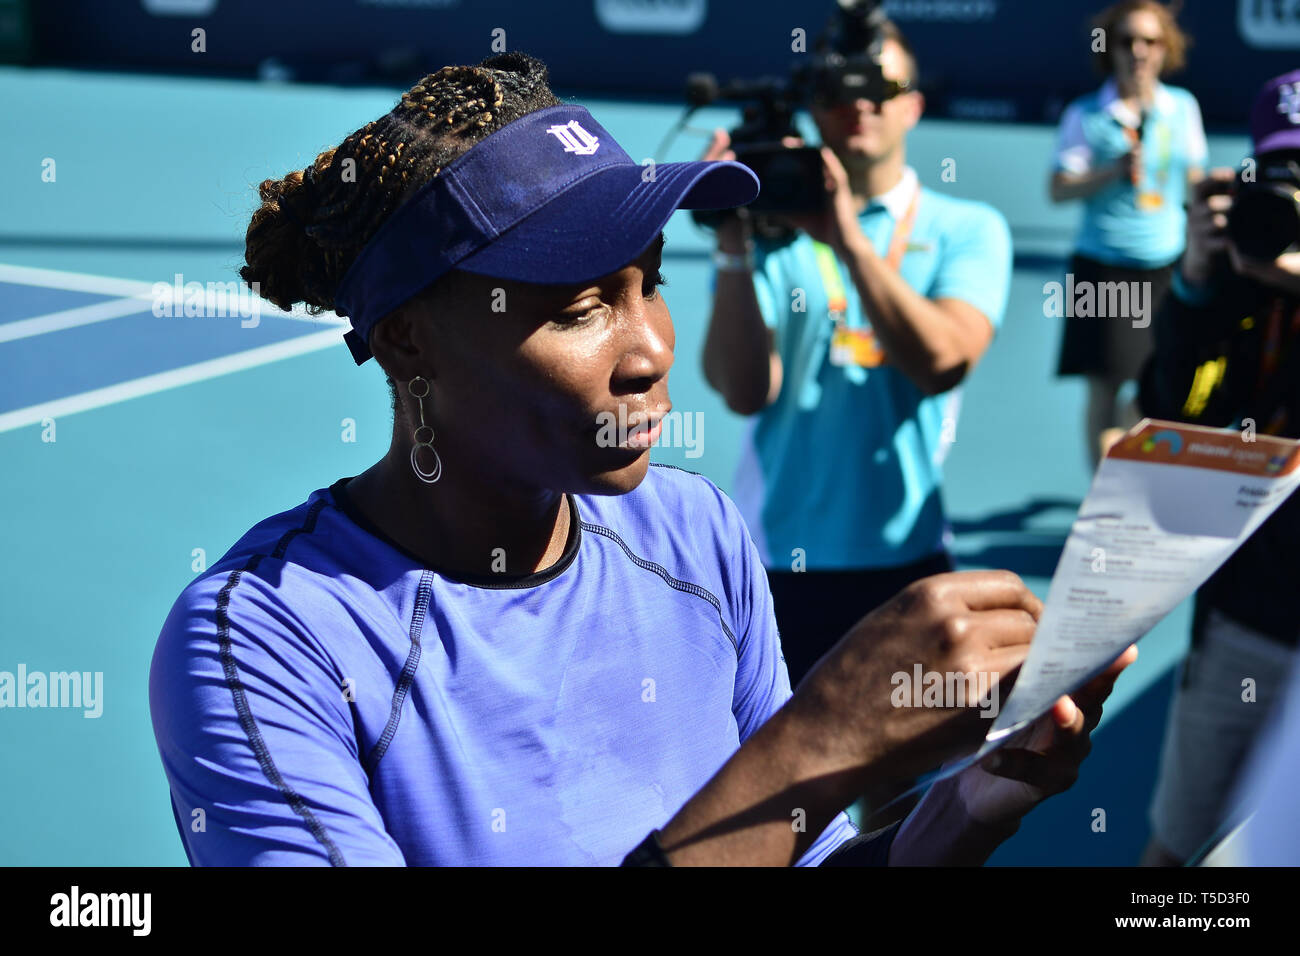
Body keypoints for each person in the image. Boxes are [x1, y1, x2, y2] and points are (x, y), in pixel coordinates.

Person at [149, 52, 1131, 867]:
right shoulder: (262, 640)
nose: (652, 349)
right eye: (579, 307)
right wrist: (819, 745)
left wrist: (959, 810)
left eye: (648, 281)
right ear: (408, 339)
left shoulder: (693, 530)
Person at [700, 21, 1012, 690]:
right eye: (839, 89)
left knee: (899, 784)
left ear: (914, 106)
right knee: (775, 778)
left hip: (906, 556)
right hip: (775, 558)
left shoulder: (967, 229)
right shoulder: (767, 235)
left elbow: (943, 363)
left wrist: (847, 239)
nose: (860, 105)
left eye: (880, 87)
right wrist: (732, 242)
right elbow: (745, 391)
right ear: (812, 105)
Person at [1136, 70, 1300, 866]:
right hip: (1245, 620)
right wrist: (1196, 290)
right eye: (1280, 176)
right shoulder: (1234, 286)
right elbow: (1165, 422)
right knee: (1177, 854)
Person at [1050, 0, 1206, 467]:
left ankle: (1129, 488)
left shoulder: (1183, 109)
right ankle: (1103, 512)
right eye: (1127, 41)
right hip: (1104, 268)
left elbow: (1193, 184)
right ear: (1110, 49)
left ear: (1165, 49)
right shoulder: (1085, 115)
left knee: (1154, 395)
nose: (1138, 51)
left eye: (1150, 41)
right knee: (1104, 391)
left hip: (1167, 267)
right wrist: (1112, 171)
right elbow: (1058, 188)